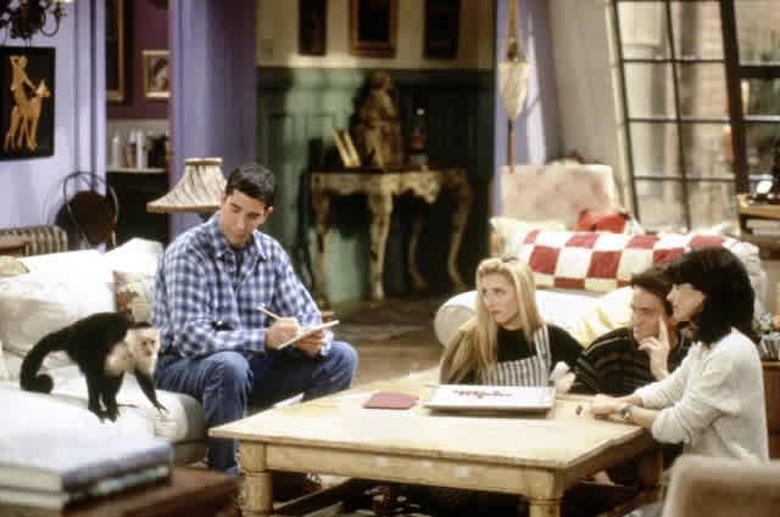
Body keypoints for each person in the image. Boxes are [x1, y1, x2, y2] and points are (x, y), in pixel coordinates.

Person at [152, 162, 359, 475]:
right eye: (234, 209)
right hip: (180, 365)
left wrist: (312, 339)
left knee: (342, 357)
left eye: (252, 216)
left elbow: (308, 316)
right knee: (229, 365)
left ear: (266, 214)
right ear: (222, 199)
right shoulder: (187, 253)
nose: (239, 224)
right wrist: (264, 338)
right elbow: (191, 339)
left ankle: (292, 467)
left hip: (249, 366)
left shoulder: (270, 253)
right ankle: (227, 478)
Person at [582, 247, 768, 463]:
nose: (670, 296)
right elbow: (672, 389)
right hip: (708, 474)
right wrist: (615, 401)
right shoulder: (708, 345)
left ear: (705, 293)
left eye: (678, 287)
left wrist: (621, 408)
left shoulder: (730, 352)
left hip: (732, 480)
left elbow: (678, 426)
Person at [440, 255, 582, 388]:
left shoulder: (550, 336)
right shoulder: (472, 339)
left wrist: (570, 378)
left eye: (499, 292)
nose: (489, 302)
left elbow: (589, 371)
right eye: (484, 292)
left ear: (522, 294)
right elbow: (452, 392)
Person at [570, 267, 692, 397]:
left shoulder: (694, 355)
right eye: (634, 309)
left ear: (674, 317)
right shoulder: (606, 350)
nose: (635, 321)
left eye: (646, 312)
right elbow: (575, 402)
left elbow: (692, 409)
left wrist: (661, 372)